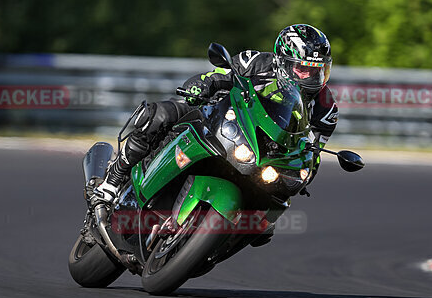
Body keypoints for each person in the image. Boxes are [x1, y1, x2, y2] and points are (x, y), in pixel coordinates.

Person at [91, 24, 339, 206]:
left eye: (317, 71)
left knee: (274, 206)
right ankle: (113, 179)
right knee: (159, 115)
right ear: (282, 61)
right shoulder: (256, 62)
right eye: (302, 69)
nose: (309, 77)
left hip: (267, 152)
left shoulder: (325, 107)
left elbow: (314, 152)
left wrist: (304, 173)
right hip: (222, 116)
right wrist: (201, 85)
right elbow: (220, 74)